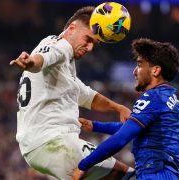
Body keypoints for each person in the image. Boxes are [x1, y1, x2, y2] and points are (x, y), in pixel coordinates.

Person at [9, 6, 135, 180]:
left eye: (94, 44)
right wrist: (31, 62)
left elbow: (87, 96)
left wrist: (118, 108)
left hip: (45, 145)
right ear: (72, 28)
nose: (90, 48)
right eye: (88, 39)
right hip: (53, 142)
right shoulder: (57, 44)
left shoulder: (63, 68)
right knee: (130, 177)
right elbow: (46, 57)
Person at [72, 38, 179, 180]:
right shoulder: (170, 99)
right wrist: (96, 126)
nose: (134, 71)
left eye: (140, 65)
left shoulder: (153, 97)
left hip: (155, 174)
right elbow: (133, 128)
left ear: (156, 70)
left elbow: (121, 139)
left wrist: (83, 165)